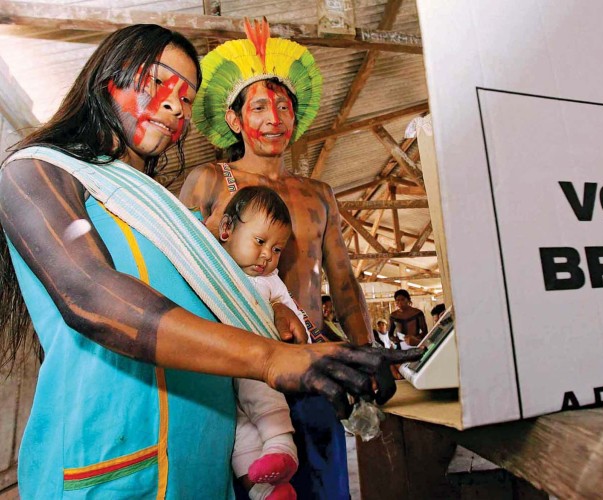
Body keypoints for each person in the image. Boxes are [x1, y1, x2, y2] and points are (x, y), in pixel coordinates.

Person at [0, 24, 421, 499]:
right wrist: (272, 356)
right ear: (107, 77)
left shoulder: (162, 212)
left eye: (187, 96)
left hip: (203, 464)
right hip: (111, 463)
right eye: (161, 82)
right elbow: (92, 296)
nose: (176, 104)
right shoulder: (35, 173)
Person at [179, 19, 380, 499]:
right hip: (240, 373)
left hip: (314, 371)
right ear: (234, 120)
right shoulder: (208, 180)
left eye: (285, 106)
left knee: (325, 488)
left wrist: (367, 355)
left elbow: (344, 284)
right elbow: (180, 271)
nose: (275, 117)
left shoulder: (319, 193)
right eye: (260, 106)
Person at [220, 186, 302, 500]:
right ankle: (265, 491)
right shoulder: (212, 269)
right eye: (260, 241)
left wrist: (284, 318)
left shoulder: (269, 282)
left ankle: (283, 445)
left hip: (255, 365)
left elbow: (296, 324)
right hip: (220, 372)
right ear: (227, 229)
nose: (268, 255)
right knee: (238, 432)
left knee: (262, 395)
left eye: (277, 249)